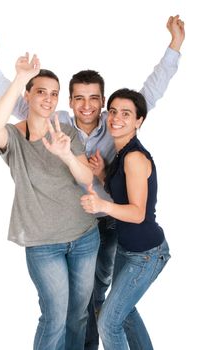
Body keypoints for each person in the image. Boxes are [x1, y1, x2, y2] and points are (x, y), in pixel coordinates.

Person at [0, 15, 184, 350]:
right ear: (69, 102)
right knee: (83, 305)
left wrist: (174, 46)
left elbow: (150, 92)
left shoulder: (116, 123)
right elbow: (21, 101)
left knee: (100, 301)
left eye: (94, 99)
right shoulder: (57, 122)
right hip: (73, 225)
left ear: (102, 102)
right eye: (78, 98)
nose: (86, 106)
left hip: (113, 224)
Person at [0, 52, 100, 350]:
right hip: (43, 243)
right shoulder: (14, 137)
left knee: (77, 316)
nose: (48, 99)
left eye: (54, 94)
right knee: (54, 317)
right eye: (40, 92)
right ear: (28, 95)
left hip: (84, 236)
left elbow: (87, 179)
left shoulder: (66, 133)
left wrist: (65, 155)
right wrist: (21, 77)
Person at [80, 87, 171, 349]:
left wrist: (101, 205)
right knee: (125, 312)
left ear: (139, 120)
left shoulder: (133, 157)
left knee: (108, 322)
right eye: (114, 111)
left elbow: (137, 213)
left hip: (146, 253)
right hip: (128, 250)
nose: (117, 118)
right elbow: (122, 193)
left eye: (126, 114)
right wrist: (102, 176)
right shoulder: (121, 154)